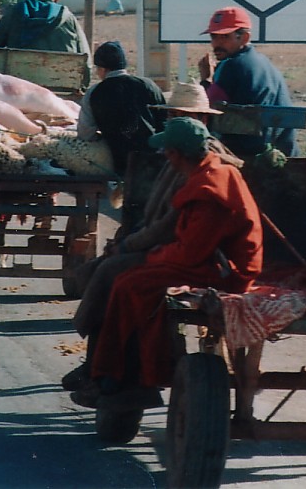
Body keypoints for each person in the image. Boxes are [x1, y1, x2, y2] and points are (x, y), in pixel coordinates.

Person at [71, 117, 263, 411]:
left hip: (227, 270)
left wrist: (152, 256)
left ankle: (134, 376)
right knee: (124, 279)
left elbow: (190, 253)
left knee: (130, 284)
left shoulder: (209, 188)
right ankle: (106, 370)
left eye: (166, 151)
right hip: (209, 258)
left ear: (174, 154)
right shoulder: (208, 170)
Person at [197, 5, 299, 157]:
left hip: (245, 154)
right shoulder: (264, 62)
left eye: (225, 37)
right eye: (214, 37)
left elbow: (206, 111)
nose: (217, 44)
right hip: (282, 152)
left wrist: (206, 81)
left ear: (244, 37)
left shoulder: (231, 65)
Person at [77, 41, 165, 176]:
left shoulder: (94, 93)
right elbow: (164, 122)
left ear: (102, 69)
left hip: (120, 163)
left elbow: (86, 134)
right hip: (156, 162)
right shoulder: (149, 86)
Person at [0, 0, 91, 79]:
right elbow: (84, 53)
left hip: (19, 80)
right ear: (56, 0)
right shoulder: (68, 18)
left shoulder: (15, 12)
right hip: (62, 79)